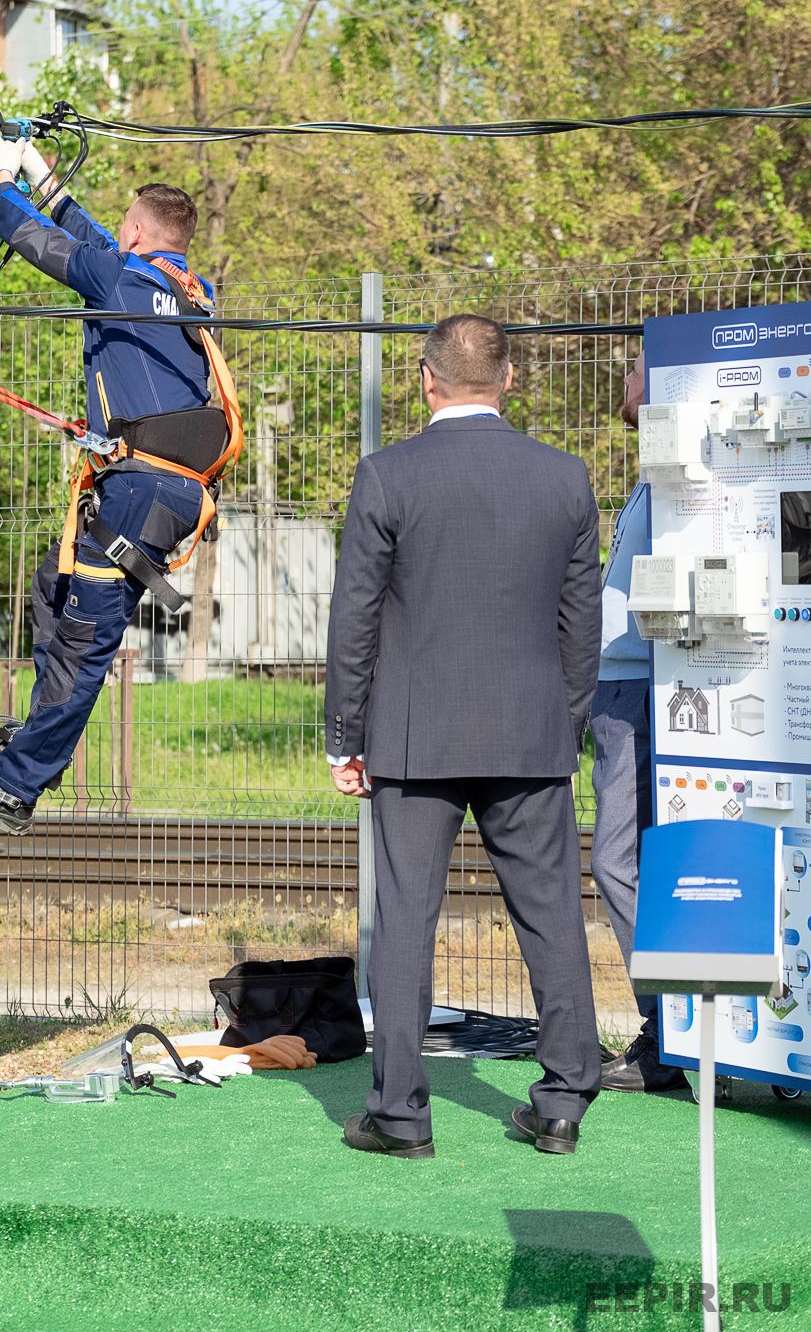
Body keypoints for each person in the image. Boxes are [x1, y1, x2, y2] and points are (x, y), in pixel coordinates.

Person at [327, 314, 603, 1159]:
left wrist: (344, 734)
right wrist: (562, 722)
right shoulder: (565, 479)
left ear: (425, 380)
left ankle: (401, 1117)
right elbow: (579, 624)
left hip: (412, 740)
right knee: (552, 916)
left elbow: (355, 619)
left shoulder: (387, 476)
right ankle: (561, 1103)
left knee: (405, 922)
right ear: (508, 379)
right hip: (530, 735)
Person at [0, 135, 237, 835]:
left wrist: (4, 178)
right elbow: (97, 240)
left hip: (136, 491)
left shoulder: (119, 278)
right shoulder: (190, 291)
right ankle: (38, 747)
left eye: (122, 227)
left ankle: (11, 792)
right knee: (52, 586)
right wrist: (40, 169)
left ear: (136, 232)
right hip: (165, 492)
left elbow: (27, 234)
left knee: (82, 640)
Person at [591, 352, 685, 1092]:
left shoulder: (674, 482)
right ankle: (672, 1034)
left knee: (618, 863)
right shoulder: (653, 480)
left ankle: (666, 1037)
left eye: (631, 372)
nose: (620, 384)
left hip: (636, 693)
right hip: (623, 690)